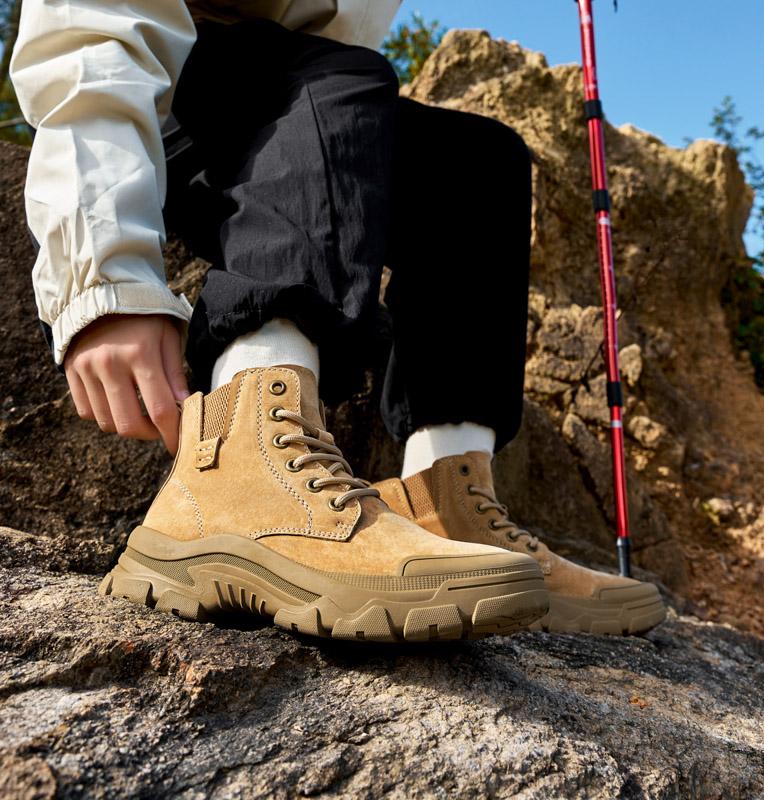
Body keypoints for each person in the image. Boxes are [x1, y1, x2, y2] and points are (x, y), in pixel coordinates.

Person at [11, 0, 665, 642]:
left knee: (476, 162)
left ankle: (446, 503)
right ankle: (239, 464)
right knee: (331, 75)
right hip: (165, 97)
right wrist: (103, 278)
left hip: (303, 110)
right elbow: (90, 24)